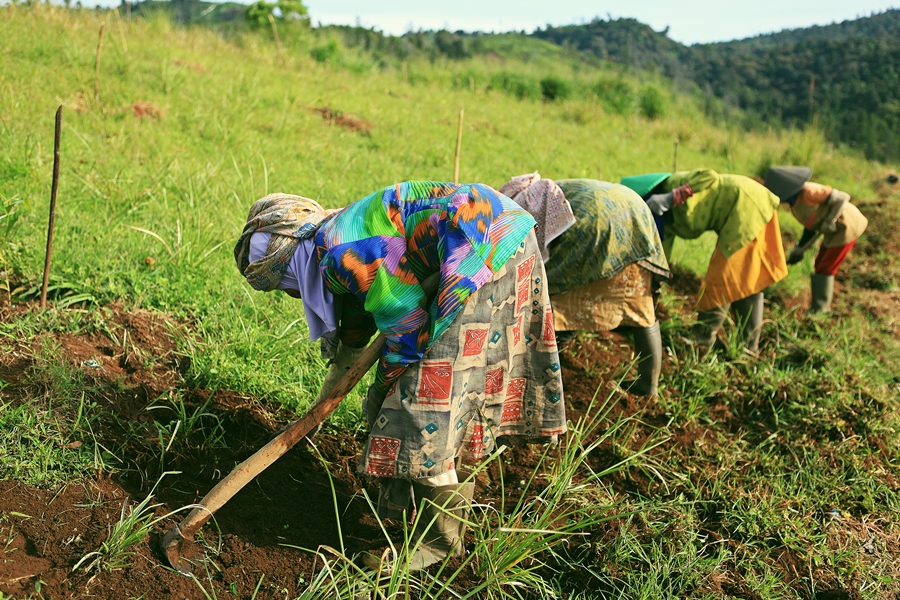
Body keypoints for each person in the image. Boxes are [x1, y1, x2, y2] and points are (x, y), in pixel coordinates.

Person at [234, 183, 566, 571]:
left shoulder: (341, 252)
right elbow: (358, 322)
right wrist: (321, 405)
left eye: (281, 284)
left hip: (480, 251)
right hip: (505, 235)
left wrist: (382, 388)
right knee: (432, 395)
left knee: (424, 403)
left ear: (289, 265)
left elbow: (407, 330)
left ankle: (440, 545)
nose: (289, 294)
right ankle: (420, 507)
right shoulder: (334, 239)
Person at [500, 173, 670, 396]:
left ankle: (540, 373)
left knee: (554, 296)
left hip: (596, 222)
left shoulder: (521, 206)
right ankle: (648, 386)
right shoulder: (544, 188)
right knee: (641, 307)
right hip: (635, 211)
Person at [621, 169, 788, 353]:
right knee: (744, 278)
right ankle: (748, 348)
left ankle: (702, 339)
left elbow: (710, 176)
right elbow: (659, 254)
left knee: (723, 277)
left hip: (746, 205)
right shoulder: (659, 217)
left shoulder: (671, 186)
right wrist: (653, 282)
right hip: (740, 213)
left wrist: (671, 197)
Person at [763, 166, 868, 313]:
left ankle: (820, 310)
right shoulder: (795, 205)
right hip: (833, 231)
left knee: (826, 267)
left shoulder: (809, 192)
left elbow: (843, 198)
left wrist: (830, 220)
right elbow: (811, 227)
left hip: (847, 226)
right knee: (819, 264)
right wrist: (799, 248)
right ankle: (818, 307)